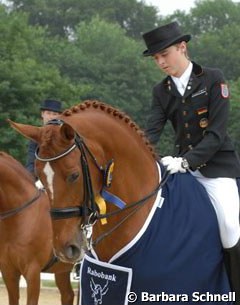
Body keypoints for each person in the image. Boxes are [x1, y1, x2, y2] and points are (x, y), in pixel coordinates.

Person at [142, 21, 240, 299]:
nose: (161, 62)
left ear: (182, 47)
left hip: (217, 168)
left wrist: (186, 162)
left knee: (230, 227)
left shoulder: (213, 78)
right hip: (178, 167)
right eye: (156, 58)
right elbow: (150, 132)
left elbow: (216, 134)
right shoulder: (160, 91)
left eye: (165, 55)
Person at [25, 99, 62, 178]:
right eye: (48, 113)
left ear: (58, 116)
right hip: (40, 177)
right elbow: (31, 162)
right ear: (42, 114)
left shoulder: (63, 136)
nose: (51, 117)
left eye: (54, 114)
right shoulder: (35, 136)